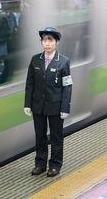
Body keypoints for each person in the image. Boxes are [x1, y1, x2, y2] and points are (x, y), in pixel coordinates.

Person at [24, 27, 72, 177]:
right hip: (38, 106)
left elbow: (67, 86)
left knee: (56, 137)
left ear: (56, 42)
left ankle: (55, 165)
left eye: (50, 40)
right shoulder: (35, 60)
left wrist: (65, 107)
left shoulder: (63, 62)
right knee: (40, 136)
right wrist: (27, 104)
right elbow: (29, 84)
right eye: (44, 40)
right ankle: (40, 164)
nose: (47, 43)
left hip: (56, 107)